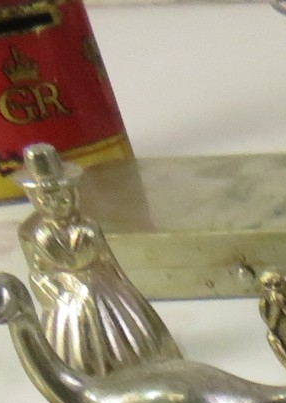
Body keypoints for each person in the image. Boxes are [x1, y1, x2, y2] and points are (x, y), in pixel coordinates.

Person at [16, 142, 177, 377]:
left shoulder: (88, 229)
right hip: (68, 296)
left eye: (62, 198)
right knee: (75, 325)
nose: (56, 205)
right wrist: (55, 292)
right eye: (46, 201)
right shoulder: (41, 236)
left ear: (73, 194)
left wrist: (125, 289)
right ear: (35, 201)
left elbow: (109, 261)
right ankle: (83, 369)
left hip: (102, 287)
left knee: (113, 316)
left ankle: (132, 357)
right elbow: (39, 272)